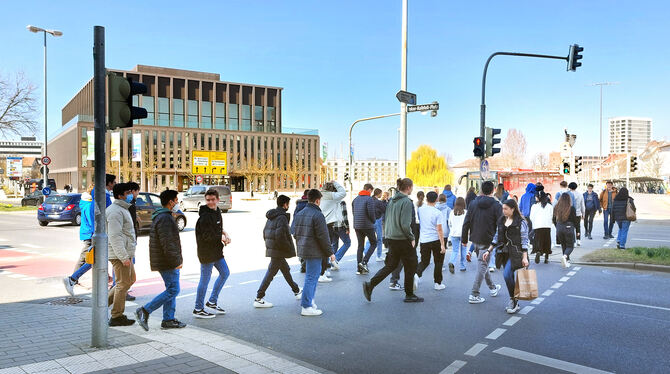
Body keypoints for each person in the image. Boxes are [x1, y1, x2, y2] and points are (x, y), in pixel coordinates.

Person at [363, 178, 423, 303]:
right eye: (412, 187)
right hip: (403, 238)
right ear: (408, 187)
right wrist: (412, 238)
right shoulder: (406, 202)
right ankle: (409, 294)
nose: (412, 189)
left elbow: (388, 219)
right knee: (411, 265)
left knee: (391, 265)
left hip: (392, 238)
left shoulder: (391, 201)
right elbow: (405, 224)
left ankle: (371, 284)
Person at [135, 190, 186, 330]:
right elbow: (168, 243)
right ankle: (145, 310)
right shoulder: (165, 218)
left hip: (165, 260)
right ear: (170, 202)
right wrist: (176, 261)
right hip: (167, 261)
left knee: (171, 289)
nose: (177, 203)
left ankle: (168, 319)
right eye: (176, 200)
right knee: (173, 290)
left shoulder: (162, 216)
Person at [292, 189, 335, 316]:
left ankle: (310, 301)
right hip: (314, 251)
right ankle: (306, 306)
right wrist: (330, 253)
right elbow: (323, 236)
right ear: (317, 200)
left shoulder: (300, 213)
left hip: (304, 249)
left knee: (310, 277)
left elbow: (294, 232)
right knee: (312, 278)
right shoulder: (318, 215)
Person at [254, 195, 302, 308]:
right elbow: (280, 235)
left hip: (273, 248)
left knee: (285, 270)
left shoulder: (272, 215)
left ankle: (296, 290)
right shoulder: (282, 217)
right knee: (271, 273)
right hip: (278, 249)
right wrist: (286, 248)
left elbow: (265, 232)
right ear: (285, 204)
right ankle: (259, 297)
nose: (288, 206)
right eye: (288, 204)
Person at [484, 199, 529, 314]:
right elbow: (496, 236)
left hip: (517, 253)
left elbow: (524, 240)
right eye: (502, 208)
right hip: (503, 253)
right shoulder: (501, 220)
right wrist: (489, 250)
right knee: (509, 276)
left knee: (507, 274)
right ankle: (515, 300)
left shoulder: (521, 222)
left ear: (513, 209)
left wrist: (524, 257)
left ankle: (513, 300)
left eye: (506, 209)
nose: (503, 211)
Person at [192, 189, 231, 318]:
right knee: (204, 280)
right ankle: (198, 308)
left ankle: (212, 301)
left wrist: (225, 233)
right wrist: (221, 237)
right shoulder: (204, 217)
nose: (210, 202)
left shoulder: (217, 211)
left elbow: (217, 227)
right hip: (207, 253)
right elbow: (207, 236)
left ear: (218, 200)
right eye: (208, 200)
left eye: (213, 200)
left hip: (217, 251)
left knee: (225, 273)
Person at [462, 181, 502, 304]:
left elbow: (466, 221)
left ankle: (492, 288)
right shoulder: (496, 205)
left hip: (475, 238)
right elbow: (500, 225)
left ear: (481, 190)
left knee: (482, 265)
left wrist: (464, 239)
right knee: (482, 265)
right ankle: (474, 294)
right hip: (488, 240)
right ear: (493, 190)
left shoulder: (473, 203)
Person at [106, 183, 137, 326]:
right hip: (119, 255)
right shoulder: (115, 211)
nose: (131, 195)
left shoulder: (122, 209)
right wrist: (124, 257)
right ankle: (116, 316)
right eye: (128, 192)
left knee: (129, 280)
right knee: (123, 283)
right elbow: (115, 236)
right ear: (120, 196)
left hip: (125, 253)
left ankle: (103, 304)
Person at [62, 185, 95, 296]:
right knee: (87, 258)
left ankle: (73, 279)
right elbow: (92, 221)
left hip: (89, 233)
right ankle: (72, 279)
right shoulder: (89, 204)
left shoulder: (86, 202)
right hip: (90, 234)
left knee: (93, 258)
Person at [415, 192, 447, 290]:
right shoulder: (437, 212)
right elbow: (439, 230)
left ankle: (416, 274)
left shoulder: (420, 210)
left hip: (424, 239)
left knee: (425, 261)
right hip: (435, 239)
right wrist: (443, 244)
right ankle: (437, 283)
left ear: (426, 199)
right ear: (436, 199)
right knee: (438, 261)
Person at [319, 181, 346, 276]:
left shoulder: (321, 194)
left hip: (321, 223)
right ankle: (323, 271)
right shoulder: (331, 196)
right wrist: (336, 183)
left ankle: (323, 269)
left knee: (325, 247)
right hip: (328, 224)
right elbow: (343, 192)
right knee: (326, 247)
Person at [352, 183, 377, 275]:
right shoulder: (369, 199)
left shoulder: (355, 199)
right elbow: (371, 213)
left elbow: (353, 212)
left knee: (360, 246)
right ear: (369, 190)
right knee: (374, 243)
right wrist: (373, 221)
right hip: (367, 225)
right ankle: (364, 262)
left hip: (357, 226)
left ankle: (359, 268)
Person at [553, 193, 579, 268]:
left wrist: (557, 226)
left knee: (564, 245)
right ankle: (565, 256)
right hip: (568, 227)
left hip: (559, 227)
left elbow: (553, 219)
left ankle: (566, 260)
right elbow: (575, 221)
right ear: (569, 199)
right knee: (570, 246)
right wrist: (577, 231)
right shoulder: (571, 208)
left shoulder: (556, 207)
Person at [530, 191, 553, 264]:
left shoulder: (534, 206)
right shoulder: (549, 206)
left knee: (538, 240)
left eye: (536, 196)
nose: (535, 198)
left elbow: (531, 217)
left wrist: (534, 223)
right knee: (547, 241)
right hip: (547, 226)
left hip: (537, 226)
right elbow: (551, 215)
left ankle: (539, 251)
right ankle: (546, 258)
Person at [364, 188, 387, 262]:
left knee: (370, 238)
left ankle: (365, 253)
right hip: (377, 220)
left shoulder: (369, 200)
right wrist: (385, 202)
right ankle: (378, 256)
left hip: (370, 221)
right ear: (379, 193)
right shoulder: (378, 202)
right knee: (379, 238)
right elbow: (384, 210)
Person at [292, 189, 310, 273]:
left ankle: (303, 265)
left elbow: (295, 217)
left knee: (300, 247)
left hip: (297, 229)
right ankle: (305, 265)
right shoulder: (309, 205)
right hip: (306, 229)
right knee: (308, 247)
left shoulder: (299, 204)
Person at [448, 197, 467, 273]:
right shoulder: (465, 212)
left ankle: (452, 262)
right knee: (463, 250)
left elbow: (449, 223)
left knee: (455, 250)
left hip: (453, 234)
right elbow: (467, 224)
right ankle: (463, 266)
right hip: (463, 234)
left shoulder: (452, 212)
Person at [568, 182, 585, 246]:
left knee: (571, 227)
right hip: (578, 213)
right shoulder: (580, 195)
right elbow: (582, 205)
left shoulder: (568, 194)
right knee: (578, 227)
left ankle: (573, 241)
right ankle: (578, 240)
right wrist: (583, 213)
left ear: (569, 187)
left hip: (569, 213)